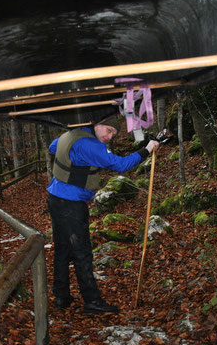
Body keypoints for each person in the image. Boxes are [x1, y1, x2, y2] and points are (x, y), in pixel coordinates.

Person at [46, 115, 160, 313]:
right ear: (97, 125)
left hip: (55, 198)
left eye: (114, 134)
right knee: (82, 253)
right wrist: (147, 150)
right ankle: (92, 301)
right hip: (71, 204)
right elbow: (120, 165)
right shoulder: (90, 145)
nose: (110, 137)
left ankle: (61, 296)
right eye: (109, 131)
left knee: (63, 249)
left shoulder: (72, 135)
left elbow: (53, 147)